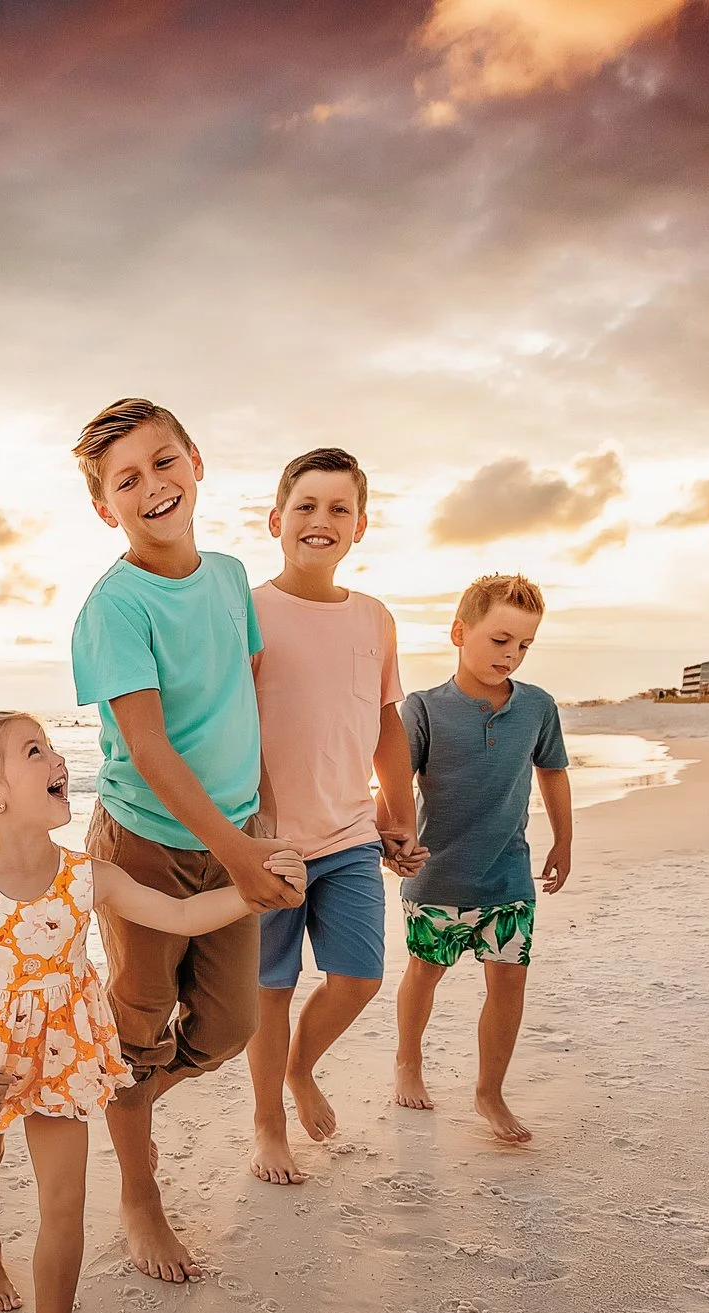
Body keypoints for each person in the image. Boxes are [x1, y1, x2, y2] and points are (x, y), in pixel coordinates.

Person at [0, 708, 303, 1313]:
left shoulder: (90, 875)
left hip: (61, 1053)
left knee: (63, 1206)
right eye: (33, 751)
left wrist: (258, 888)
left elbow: (178, 917)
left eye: (51, 746)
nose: (56, 758)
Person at [67, 397, 305, 1283]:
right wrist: (238, 854)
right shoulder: (116, 607)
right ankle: (141, 1192)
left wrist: (264, 824)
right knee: (136, 1028)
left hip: (237, 832)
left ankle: (126, 1096)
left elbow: (244, 708)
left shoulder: (233, 577)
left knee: (232, 1026)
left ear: (196, 462)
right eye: (127, 481)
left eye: (164, 463)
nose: (153, 487)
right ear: (106, 509)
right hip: (144, 848)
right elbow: (152, 750)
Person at [243, 446, 422, 1184]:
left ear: (361, 527)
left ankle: (300, 1068)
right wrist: (250, 826)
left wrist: (400, 816)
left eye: (339, 509)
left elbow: (385, 724)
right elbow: (231, 724)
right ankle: (267, 1123)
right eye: (307, 507)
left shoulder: (375, 619)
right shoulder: (248, 611)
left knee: (359, 977)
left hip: (350, 832)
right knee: (270, 988)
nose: (322, 521)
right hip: (270, 842)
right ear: (276, 520)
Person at [391, 574, 573, 1144]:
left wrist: (563, 840)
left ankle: (489, 1092)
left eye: (523, 645)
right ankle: (407, 1061)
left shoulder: (538, 707)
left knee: (509, 983)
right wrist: (391, 838)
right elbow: (392, 786)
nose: (511, 655)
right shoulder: (421, 709)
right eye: (499, 641)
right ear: (459, 632)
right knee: (425, 973)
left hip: (508, 876)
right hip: (436, 877)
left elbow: (553, 772)